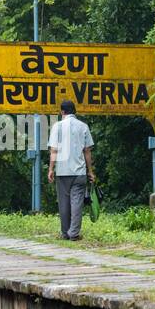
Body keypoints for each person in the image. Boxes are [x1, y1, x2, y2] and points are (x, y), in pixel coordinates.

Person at [47, 100, 95, 240]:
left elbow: (54, 150)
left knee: (64, 203)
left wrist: (51, 169)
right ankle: (73, 233)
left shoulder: (57, 126)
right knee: (77, 202)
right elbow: (87, 151)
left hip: (62, 171)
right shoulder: (83, 126)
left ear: (62, 112)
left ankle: (65, 233)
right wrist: (90, 171)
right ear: (74, 111)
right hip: (79, 172)